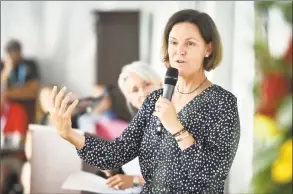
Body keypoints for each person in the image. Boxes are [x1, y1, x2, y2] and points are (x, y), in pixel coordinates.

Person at [49, 9, 241, 194]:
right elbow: (116, 153)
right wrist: (70, 135)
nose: (179, 51)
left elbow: (211, 176)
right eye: (173, 43)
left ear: (208, 49)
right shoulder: (155, 99)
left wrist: (176, 127)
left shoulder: (222, 103)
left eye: (189, 44)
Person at [99, 61, 162, 191]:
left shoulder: (176, 119)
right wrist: (116, 171)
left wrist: (135, 180)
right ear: (129, 100)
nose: (143, 93)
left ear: (160, 84)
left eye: (147, 84)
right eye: (134, 90)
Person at [0, 39, 40, 123]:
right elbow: (2, 89)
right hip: (7, 106)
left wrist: (8, 93)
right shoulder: (3, 65)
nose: (12, 57)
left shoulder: (29, 64)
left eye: (15, 53)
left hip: (25, 105)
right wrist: (6, 71)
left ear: (20, 54)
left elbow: (32, 92)